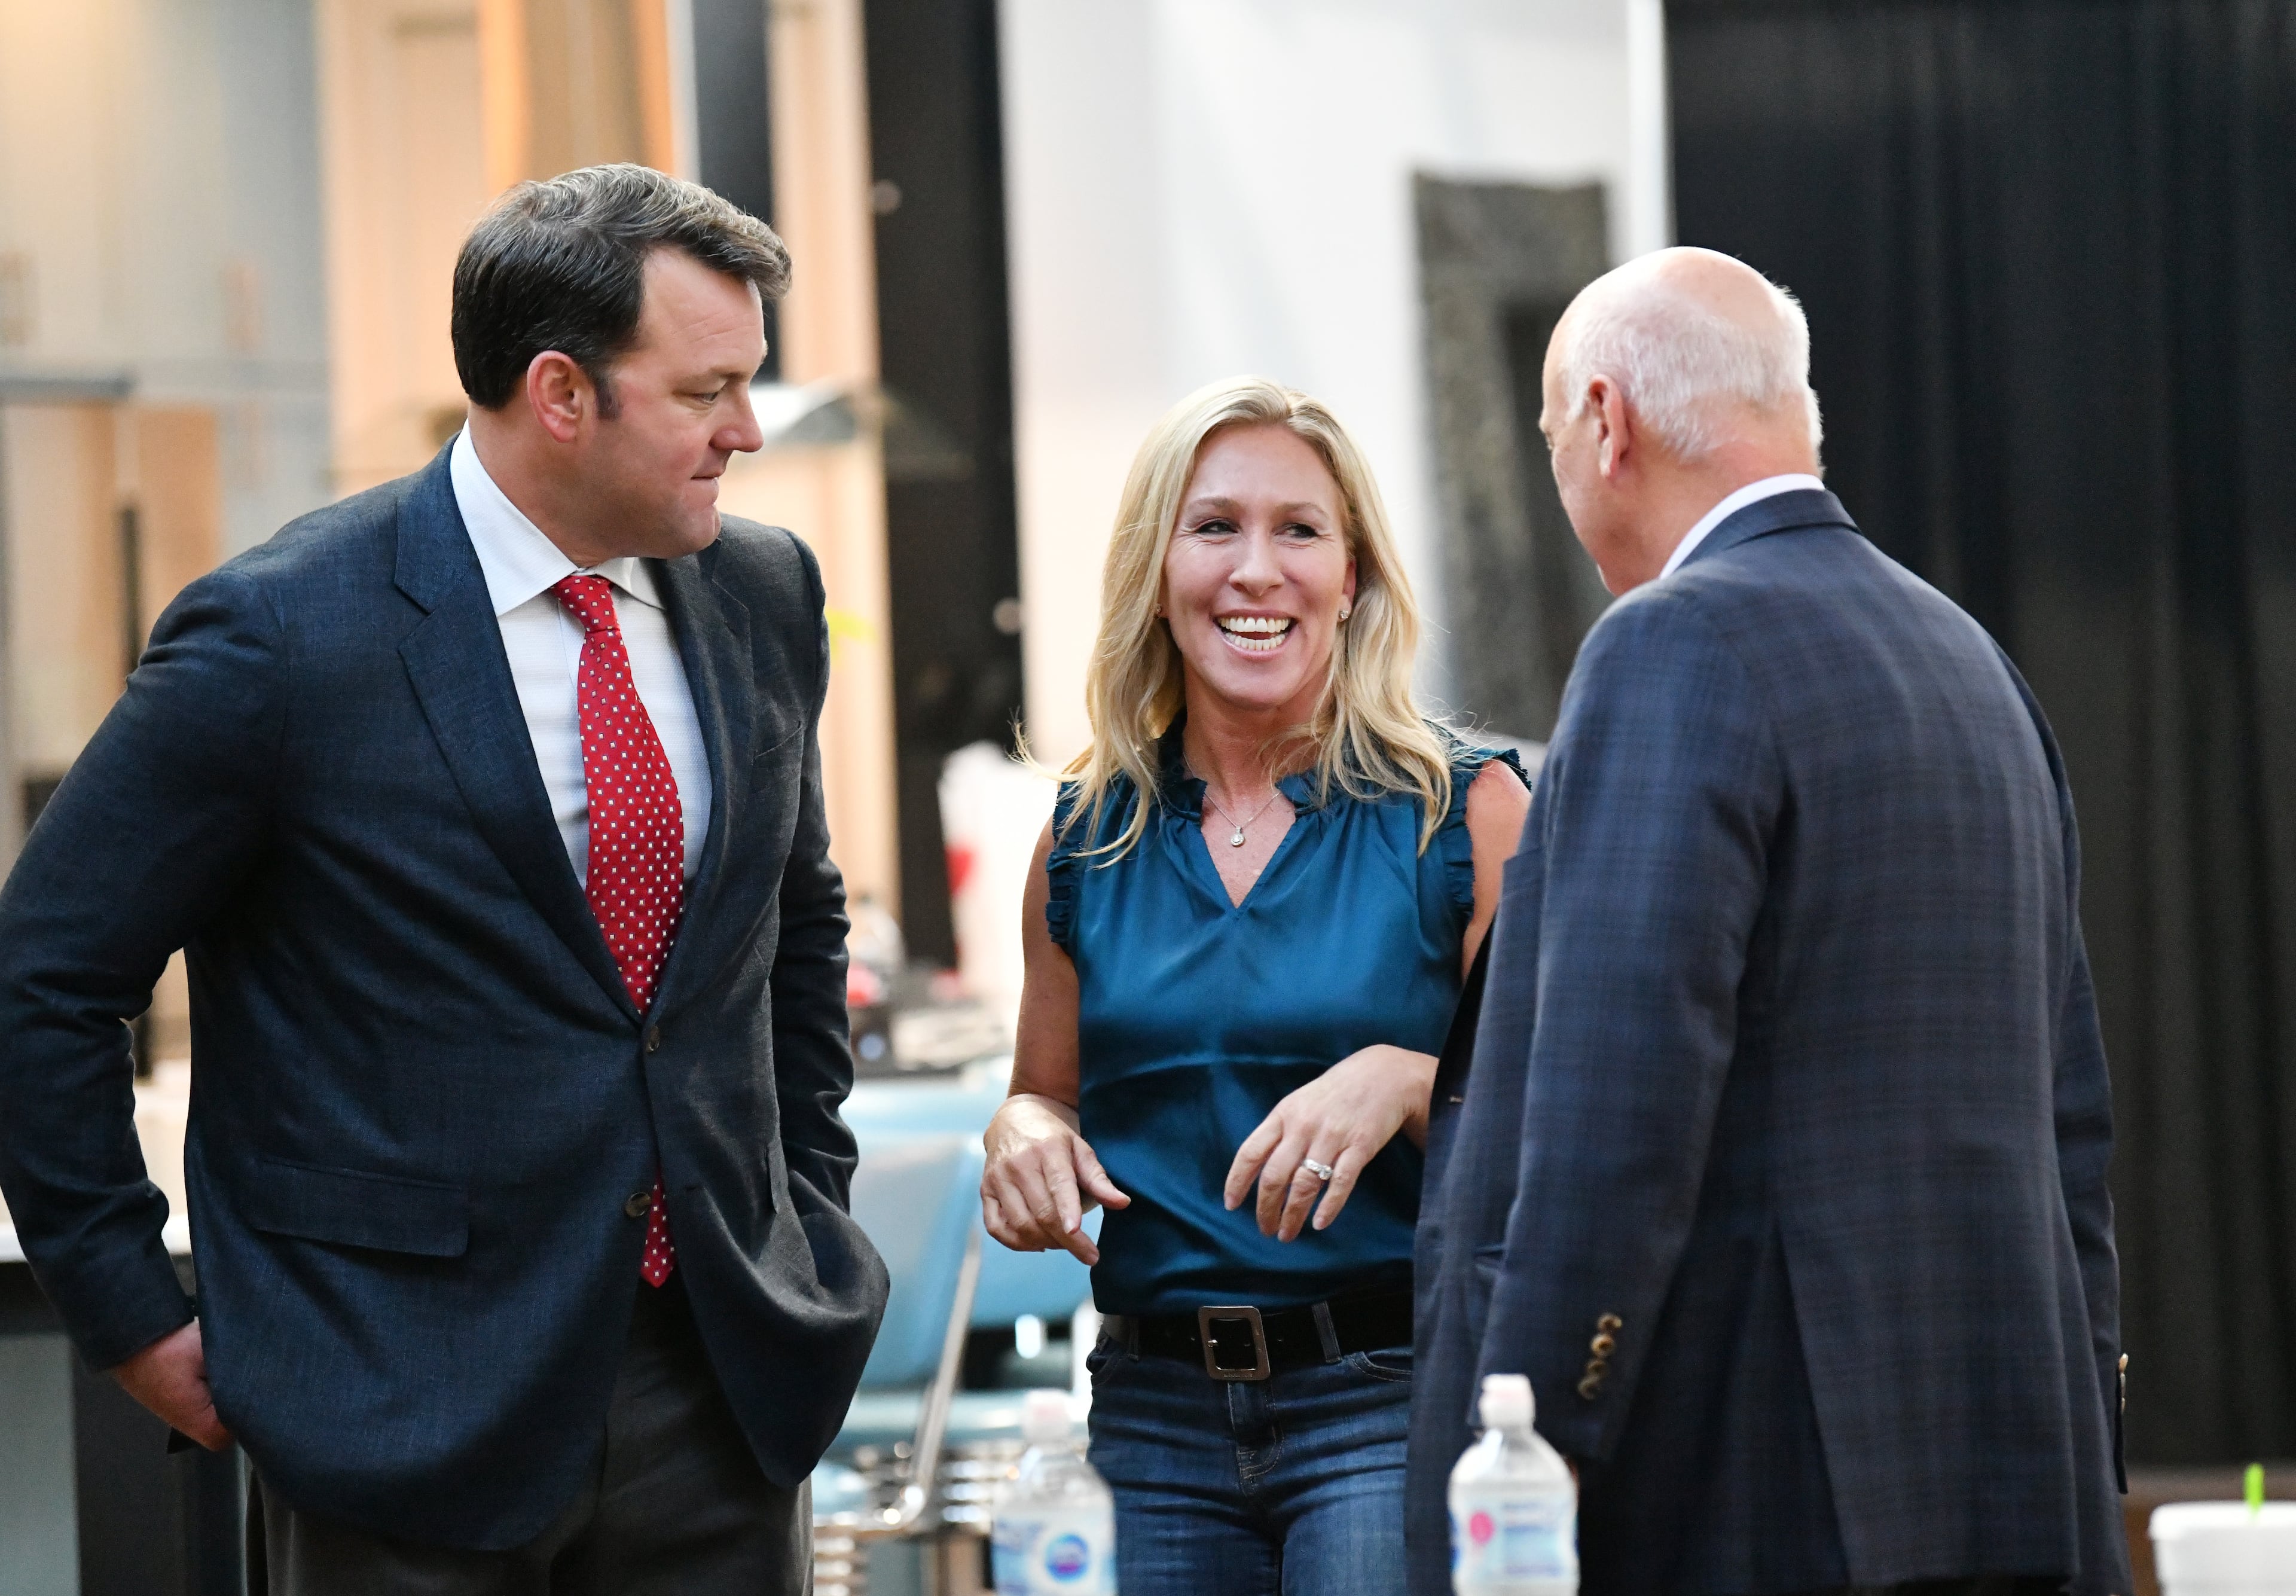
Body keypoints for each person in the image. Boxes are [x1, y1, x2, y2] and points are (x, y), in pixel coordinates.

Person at [0, 164, 887, 1592]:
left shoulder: (762, 591)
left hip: (719, 1392)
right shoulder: (284, 637)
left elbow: (796, 925)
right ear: (559, 392)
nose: (745, 432)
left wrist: (808, 1209)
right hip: (395, 1404)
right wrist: (128, 1312)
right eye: (705, 390)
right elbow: (43, 977)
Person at [1408, 247, 2132, 1596]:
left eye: (1558, 430)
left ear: (1609, 423)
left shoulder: (1670, 645)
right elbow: (2070, 1122)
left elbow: (1619, 1112)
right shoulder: (1977, 664)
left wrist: (1528, 1453)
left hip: (1754, 1485)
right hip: (2007, 1473)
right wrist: (2087, 1435)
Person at [980, 377, 1532, 1595]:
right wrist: (1019, 1135)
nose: (1257, 570)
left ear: (1354, 578)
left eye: (1300, 530)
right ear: (1156, 569)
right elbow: (1043, 1094)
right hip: (1149, 1413)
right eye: (1215, 525)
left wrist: (1412, 1079)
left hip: (1389, 1402)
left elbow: (1576, 1129)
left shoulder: (1466, 812)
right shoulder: (1086, 835)